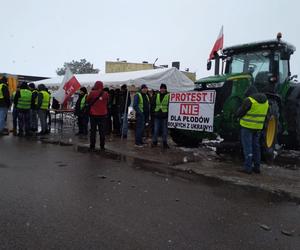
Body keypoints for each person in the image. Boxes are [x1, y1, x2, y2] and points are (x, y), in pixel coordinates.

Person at [235, 86, 269, 174]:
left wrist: (236, 114)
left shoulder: (249, 100)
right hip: (258, 127)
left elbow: (240, 112)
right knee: (256, 147)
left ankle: (247, 168)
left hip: (247, 127)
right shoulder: (266, 101)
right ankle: (257, 167)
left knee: (247, 147)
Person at [86, 81, 109, 151]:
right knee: (102, 131)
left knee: (93, 131)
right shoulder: (106, 94)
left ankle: (92, 146)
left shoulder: (92, 93)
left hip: (93, 114)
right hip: (103, 115)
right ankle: (102, 146)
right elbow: (107, 102)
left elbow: (87, 100)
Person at [151, 83, 170, 148]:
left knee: (164, 130)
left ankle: (165, 143)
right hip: (157, 115)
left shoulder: (168, 96)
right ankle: (154, 142)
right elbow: (153, 104)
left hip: (164, 116)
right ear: (160, 89)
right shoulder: (156, 95)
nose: (162, 89)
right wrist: (153, 113)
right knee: (156, 130)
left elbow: (170, 106)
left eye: (163, 88)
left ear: (165, 89)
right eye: (161, 88)